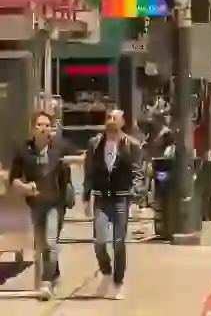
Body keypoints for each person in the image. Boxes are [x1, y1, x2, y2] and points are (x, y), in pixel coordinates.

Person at [8, 111, 76, 301]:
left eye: (47, 125)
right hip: (36, 203)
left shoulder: (59, 147)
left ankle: (46, 283)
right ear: (32, 128)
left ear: (51, 128)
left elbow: (82, 156)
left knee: (51, 243)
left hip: (56, 202)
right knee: (41, 246)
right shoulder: (23, 150)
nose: (43, 128)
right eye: (39, 124)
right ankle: (54, 275)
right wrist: (24, 187)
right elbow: (13, 179)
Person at [82, 109, 144, 300]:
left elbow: (138, 174)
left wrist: (135, 196)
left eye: (115, 118)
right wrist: (86, 197)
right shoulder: (95, 144)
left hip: (121, 199)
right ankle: (106, 272)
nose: (111, 121)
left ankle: (118, 281)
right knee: (99, 241)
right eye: (108, 118)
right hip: (101, 198)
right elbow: (89, 172)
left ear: (122, 122)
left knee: (119, 242)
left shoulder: (131, 146)